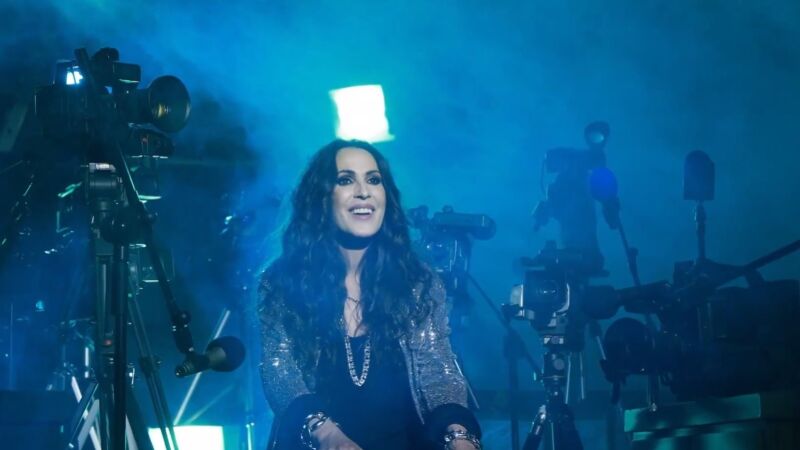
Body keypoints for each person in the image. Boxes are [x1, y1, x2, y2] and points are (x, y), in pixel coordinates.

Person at [257, 139, 482, 450]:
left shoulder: (417, 282)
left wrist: (459, 436)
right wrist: (327, 434)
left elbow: (438, 373)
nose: (363, 191)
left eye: (374, 180)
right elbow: (280, 373)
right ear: (321, 197)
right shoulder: (283, 283)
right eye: (345, 180)